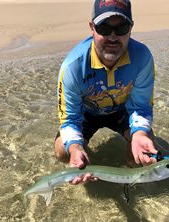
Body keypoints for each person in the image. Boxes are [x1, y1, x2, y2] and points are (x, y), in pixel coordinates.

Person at [54, 0, 158, 184]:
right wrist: (75, 148)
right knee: (62, 150)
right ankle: (82, 158)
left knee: (144, 148)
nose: (112, 37)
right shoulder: (73, 66)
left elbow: (141, 107)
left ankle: (130, 181)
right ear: (92, 27)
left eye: (121, 28)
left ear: (131, 27)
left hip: (121, 110)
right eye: (104, 28)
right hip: (87, 113)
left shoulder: (142, 57)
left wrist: (139, 134)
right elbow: (69, 118)